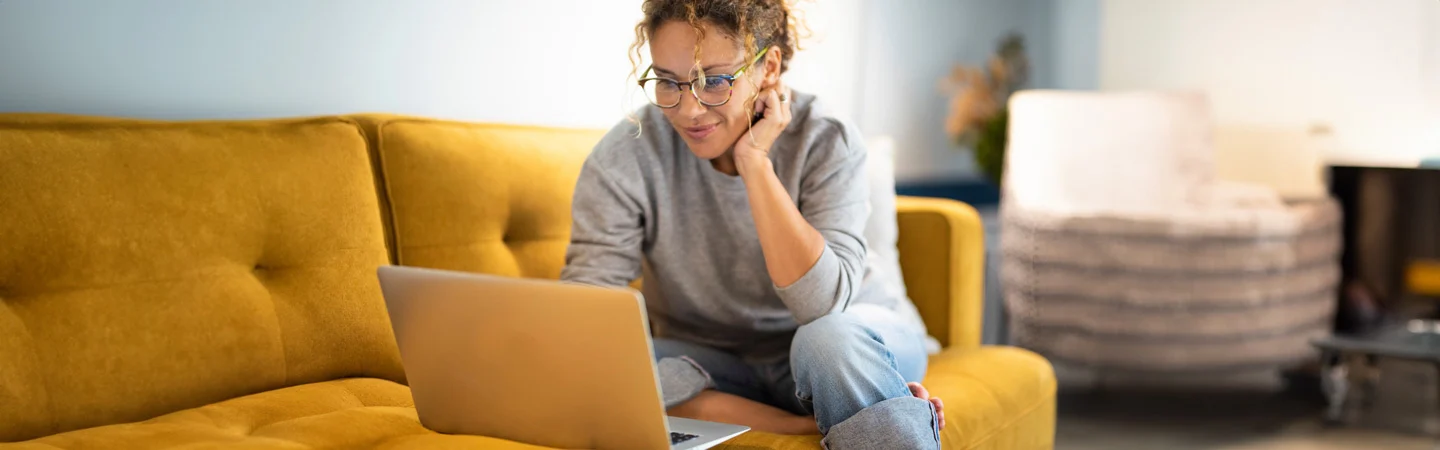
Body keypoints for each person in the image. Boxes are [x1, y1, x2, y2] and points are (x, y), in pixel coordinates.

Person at [560, 0, 946, 447]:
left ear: (769, 68)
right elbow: (586, 317)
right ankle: (809, 419)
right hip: (713, 362)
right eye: (668, 82)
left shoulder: (825, 138)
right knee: (602, 363)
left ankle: (845, 401)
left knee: (828, 343)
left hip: (844, 338)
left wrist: (755, 164)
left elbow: (822, 307)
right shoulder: (626, 156)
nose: (689, 110)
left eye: (716, 81)